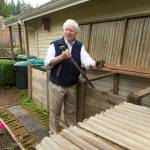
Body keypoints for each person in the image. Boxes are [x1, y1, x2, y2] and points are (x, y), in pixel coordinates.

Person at [44, 19, 104, 135]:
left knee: (70, 112)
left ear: (76, 32)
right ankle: (53, 134)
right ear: (63, 30)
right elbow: (47, 63)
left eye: (71, 30)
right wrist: (61, 57)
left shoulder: (79, 45)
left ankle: (69, 134)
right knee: (55, 112)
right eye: (66, 29)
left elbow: (86, 59)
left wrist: (95, 64)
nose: (68, 32)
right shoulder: (55, 44)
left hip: (72, 86)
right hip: (57, 85)